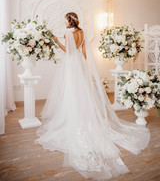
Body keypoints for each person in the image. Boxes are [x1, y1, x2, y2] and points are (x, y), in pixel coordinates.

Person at [35, 12, 150, 180]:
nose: (64, 22)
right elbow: (83, 52)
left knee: (70, 91)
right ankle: (83, 114)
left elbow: (67, 51)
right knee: (81, 90)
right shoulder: (82, 32)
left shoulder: (68, 33)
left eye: (65, 19)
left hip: (70, 64)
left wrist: (56, 40)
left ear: (70, 20)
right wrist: (81, 66)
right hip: (80, 63)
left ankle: (71, 116)